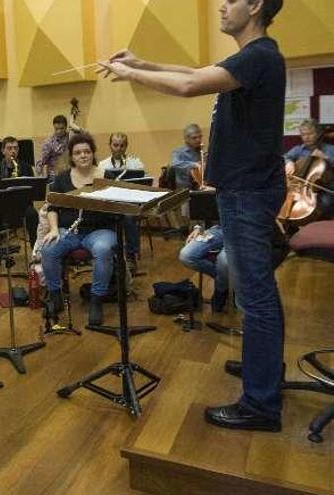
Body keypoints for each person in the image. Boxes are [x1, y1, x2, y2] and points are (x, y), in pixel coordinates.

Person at [98, 0, 286, 432]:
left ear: (255, 5)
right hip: (246, 190)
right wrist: (143, 61)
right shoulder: (253, 57)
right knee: (258, 294)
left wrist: (130, 74)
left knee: (254, 298)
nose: (221, 5)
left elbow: (188, 86)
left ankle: (260, 402)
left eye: (231, 0)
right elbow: (193, 73)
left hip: (247, 192)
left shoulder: (259, 56)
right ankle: (264, 373)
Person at [40, 133, 116, 326]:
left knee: (103, 249)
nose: (83, 155)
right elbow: (52, 208)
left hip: (99, 230)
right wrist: (55, 229)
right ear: (72, 156)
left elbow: (119, 207)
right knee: (48, 248)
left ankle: (96, 300)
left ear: (93, 153)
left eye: (87, 151)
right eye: (77, 152)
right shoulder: (62, 179)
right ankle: (55, 295)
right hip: (69, 230)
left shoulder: (106, 177)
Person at [0, 136, 40, 256]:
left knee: (32, 214)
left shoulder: (27, 168)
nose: (13, 151)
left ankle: (36, 250)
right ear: (3, 151)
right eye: (9, 148)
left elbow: (32, 194)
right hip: (2, 208)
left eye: (16, 148)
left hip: (22, 208)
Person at [97, 132, 145, 263]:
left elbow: (143, 186)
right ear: (110, 145)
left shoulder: (136, 164)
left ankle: (130, 255)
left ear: (126, 146)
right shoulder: (102, 165)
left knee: (129, 217)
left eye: (122, 146)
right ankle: (111, 253)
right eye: (115, 145)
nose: (118, 149)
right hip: (110, 203)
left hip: (130, 203)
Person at [179, 225, 230, 312]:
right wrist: (197, 227)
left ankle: (221, 290)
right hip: (219, 229)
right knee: (186, 256)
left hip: (243, 233)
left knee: (224, 262)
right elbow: (202, 213)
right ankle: (223, 281)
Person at [169, 124, 204, 190]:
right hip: (185, 189)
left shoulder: (201, 151)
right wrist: (194, 164)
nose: (198, 140)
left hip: (200, 187)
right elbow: (174, 164)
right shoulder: (179, 152)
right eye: (194, 138)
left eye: (200, 137)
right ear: (186, 139)